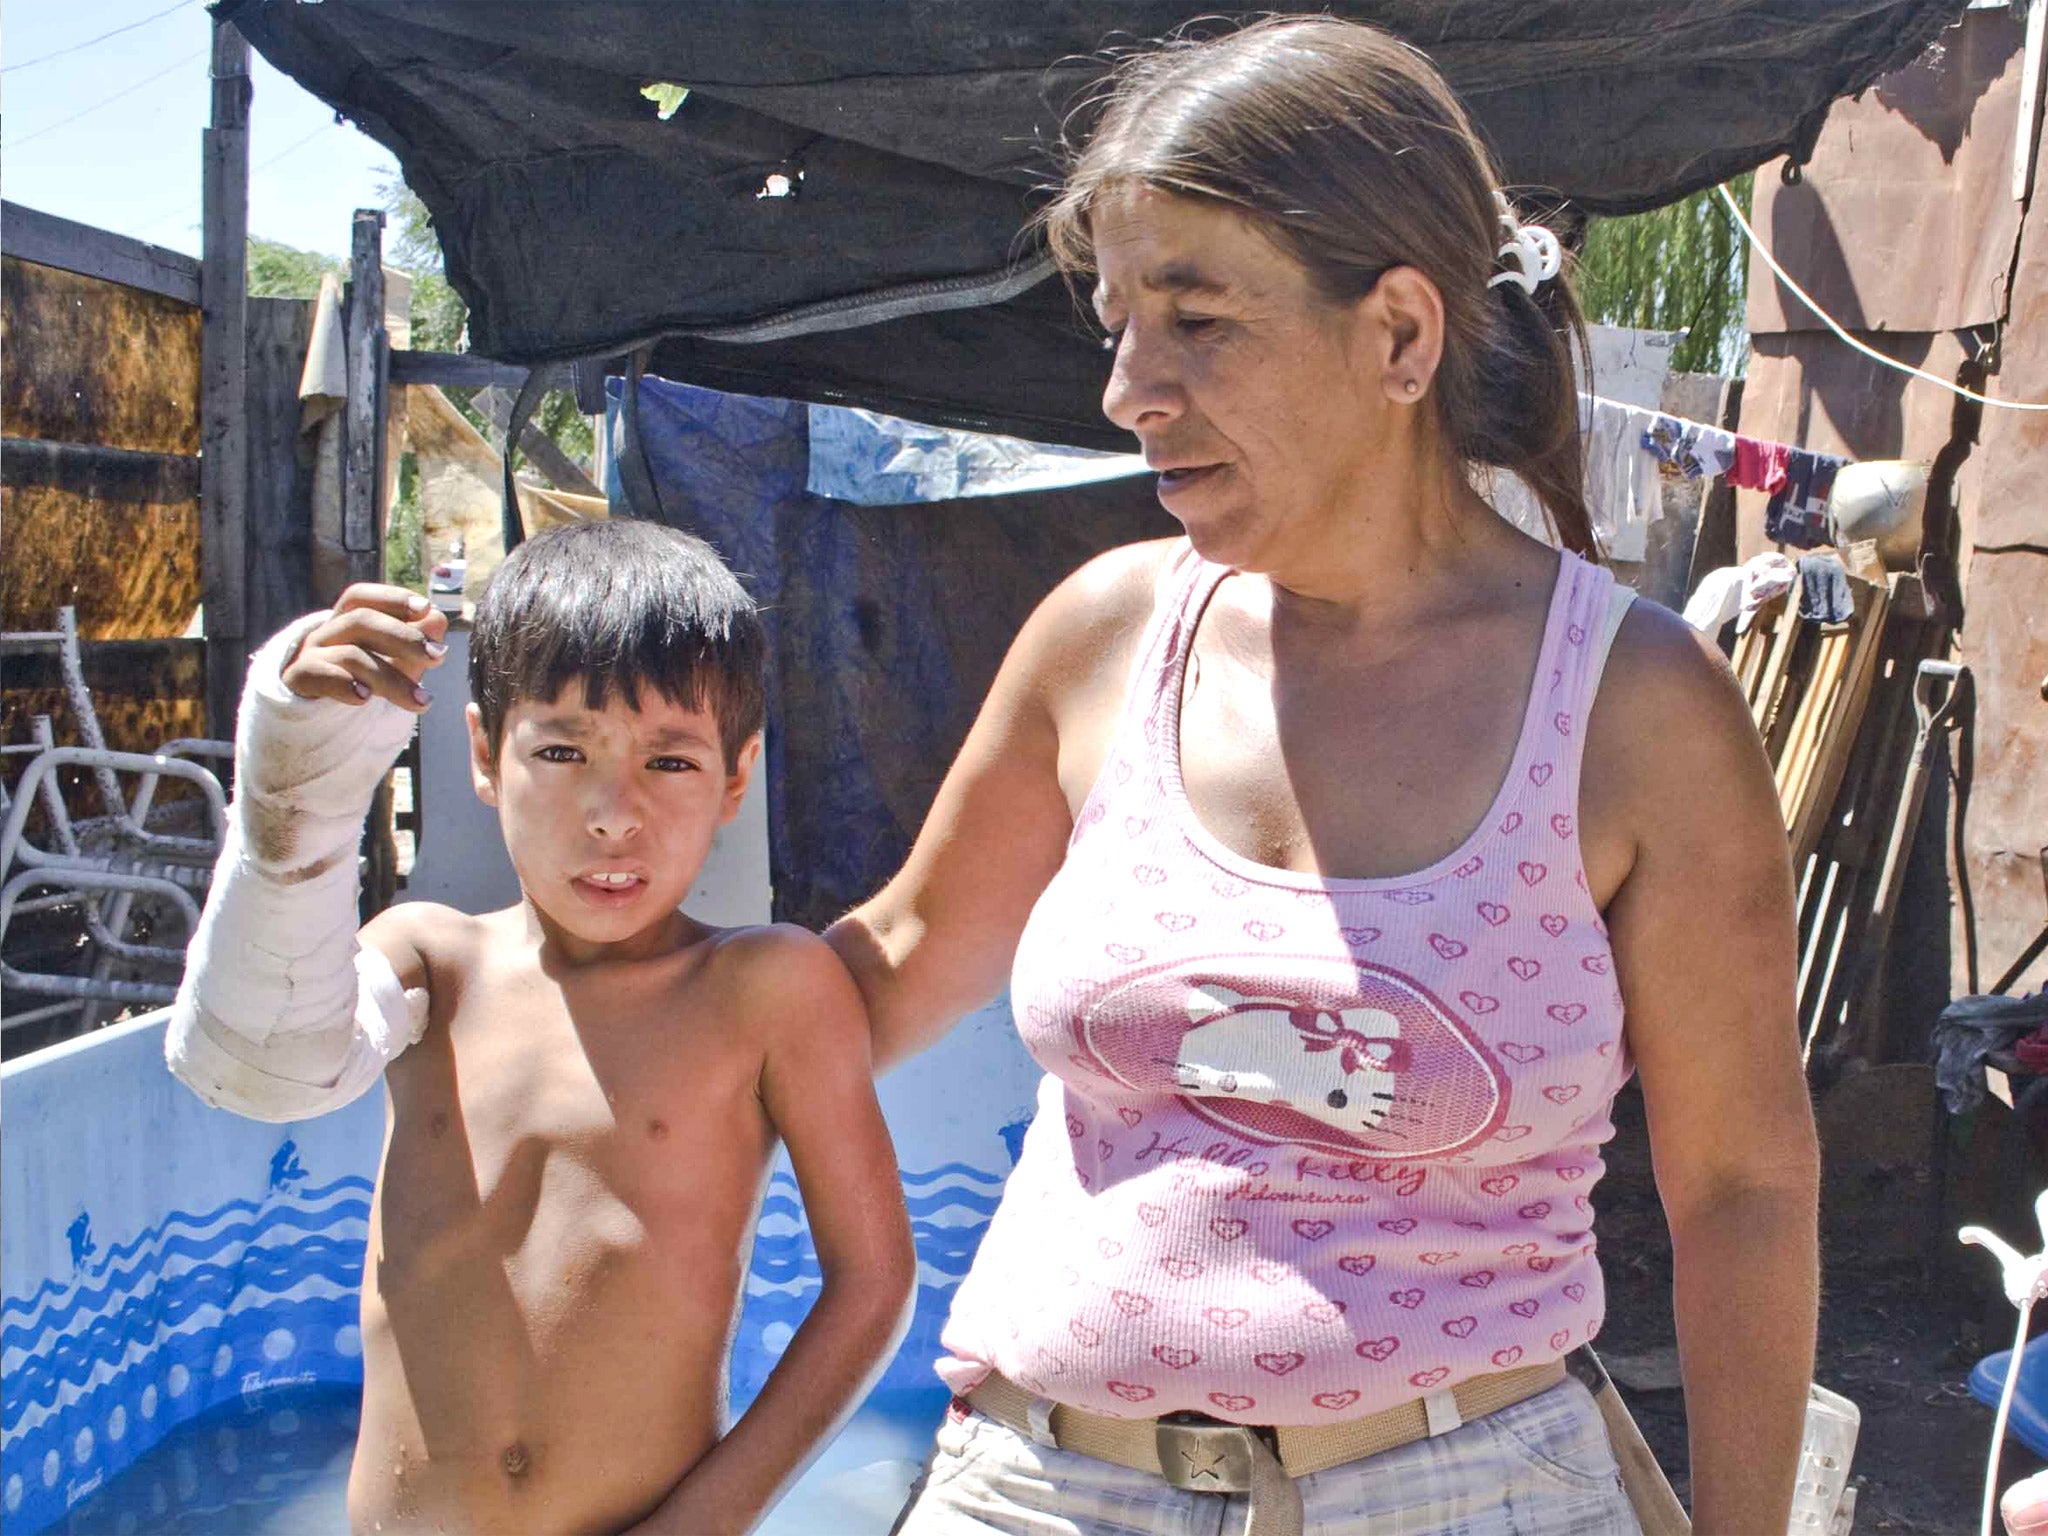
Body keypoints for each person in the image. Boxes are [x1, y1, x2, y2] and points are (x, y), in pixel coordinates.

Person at [824, 17, 1819, 1536]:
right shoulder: (1103, 638)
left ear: (1401, 336)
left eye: (1198, 319)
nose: (1129, 390)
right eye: (1116, 324)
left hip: (1472, 1494)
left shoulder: (1632, 709)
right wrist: (561, 991)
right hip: (1038, 1489)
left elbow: (1743, 1183)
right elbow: (885, 968)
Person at [166, 519, 916, 1536]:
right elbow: (263, 1061)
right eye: (561, 750)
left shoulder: (765, 988)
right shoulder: (430, 961)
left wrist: (700, 1525)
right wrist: (294, 780)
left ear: (737, 778)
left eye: (671, 763)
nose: (613, 814)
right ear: (483, 754)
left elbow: (871, 1284)